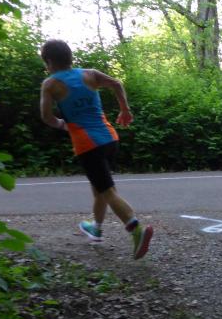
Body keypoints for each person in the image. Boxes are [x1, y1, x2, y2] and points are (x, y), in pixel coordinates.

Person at [39, 39, 153, 259]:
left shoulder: (50, 84)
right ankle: (96, 229)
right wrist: (125, 110)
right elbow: (117, 84)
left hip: (87, 144)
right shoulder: (90, 74)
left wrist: (63, 124)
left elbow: (46, 117)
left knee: (107, 191)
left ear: (49, 61)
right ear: (70, 57)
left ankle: (136, 229)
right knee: (100, 187)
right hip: (110, 139)